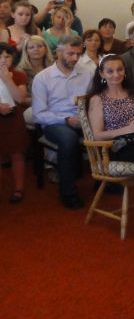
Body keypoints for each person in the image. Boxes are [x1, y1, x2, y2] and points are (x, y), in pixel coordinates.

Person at [85, 55, 134, 230]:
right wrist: (127, 129)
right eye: (110, 71)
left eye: (120, 70)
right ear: (102, 74)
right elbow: (97, 135)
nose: (116, 74)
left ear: (125, 71)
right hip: (116, 146)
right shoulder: (97, 99)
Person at [32, 35, 93, 209]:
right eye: (70, 53)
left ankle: (106, 181)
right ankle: (68, 193)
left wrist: (88, 117)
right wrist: (65, 119)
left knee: (109, 128)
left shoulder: (87, 73)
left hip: (82, 118)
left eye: (78, 54)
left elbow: (92, 101)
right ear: (58, 52)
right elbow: (38, 114)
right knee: (68, 139)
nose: (75, 58)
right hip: (55, 122)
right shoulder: (42, 78)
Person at [0, 42, 30, 203]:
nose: (3, 60)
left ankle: (19, 188)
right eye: (0, 56)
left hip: (14, 118)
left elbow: (20, 98)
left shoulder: (18, 75)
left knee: (17, 153)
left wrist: (7, 80)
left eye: (7, 56)